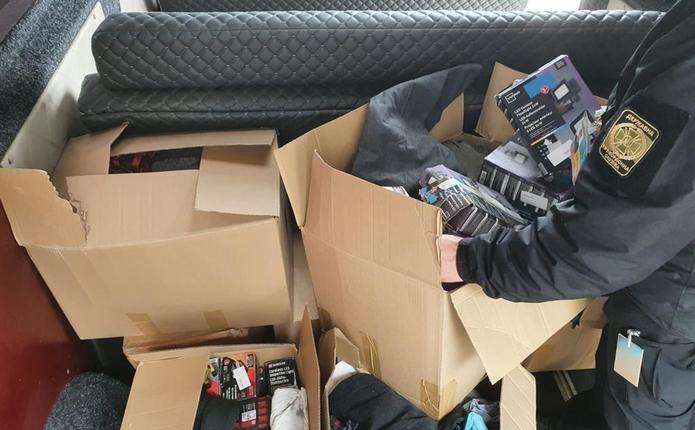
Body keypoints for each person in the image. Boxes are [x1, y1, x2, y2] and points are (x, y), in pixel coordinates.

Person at [440, 1, 695, 429]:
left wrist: (471, 260)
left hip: (670, 319)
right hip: (672, 294)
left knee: (640, 412)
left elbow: (605, 243)